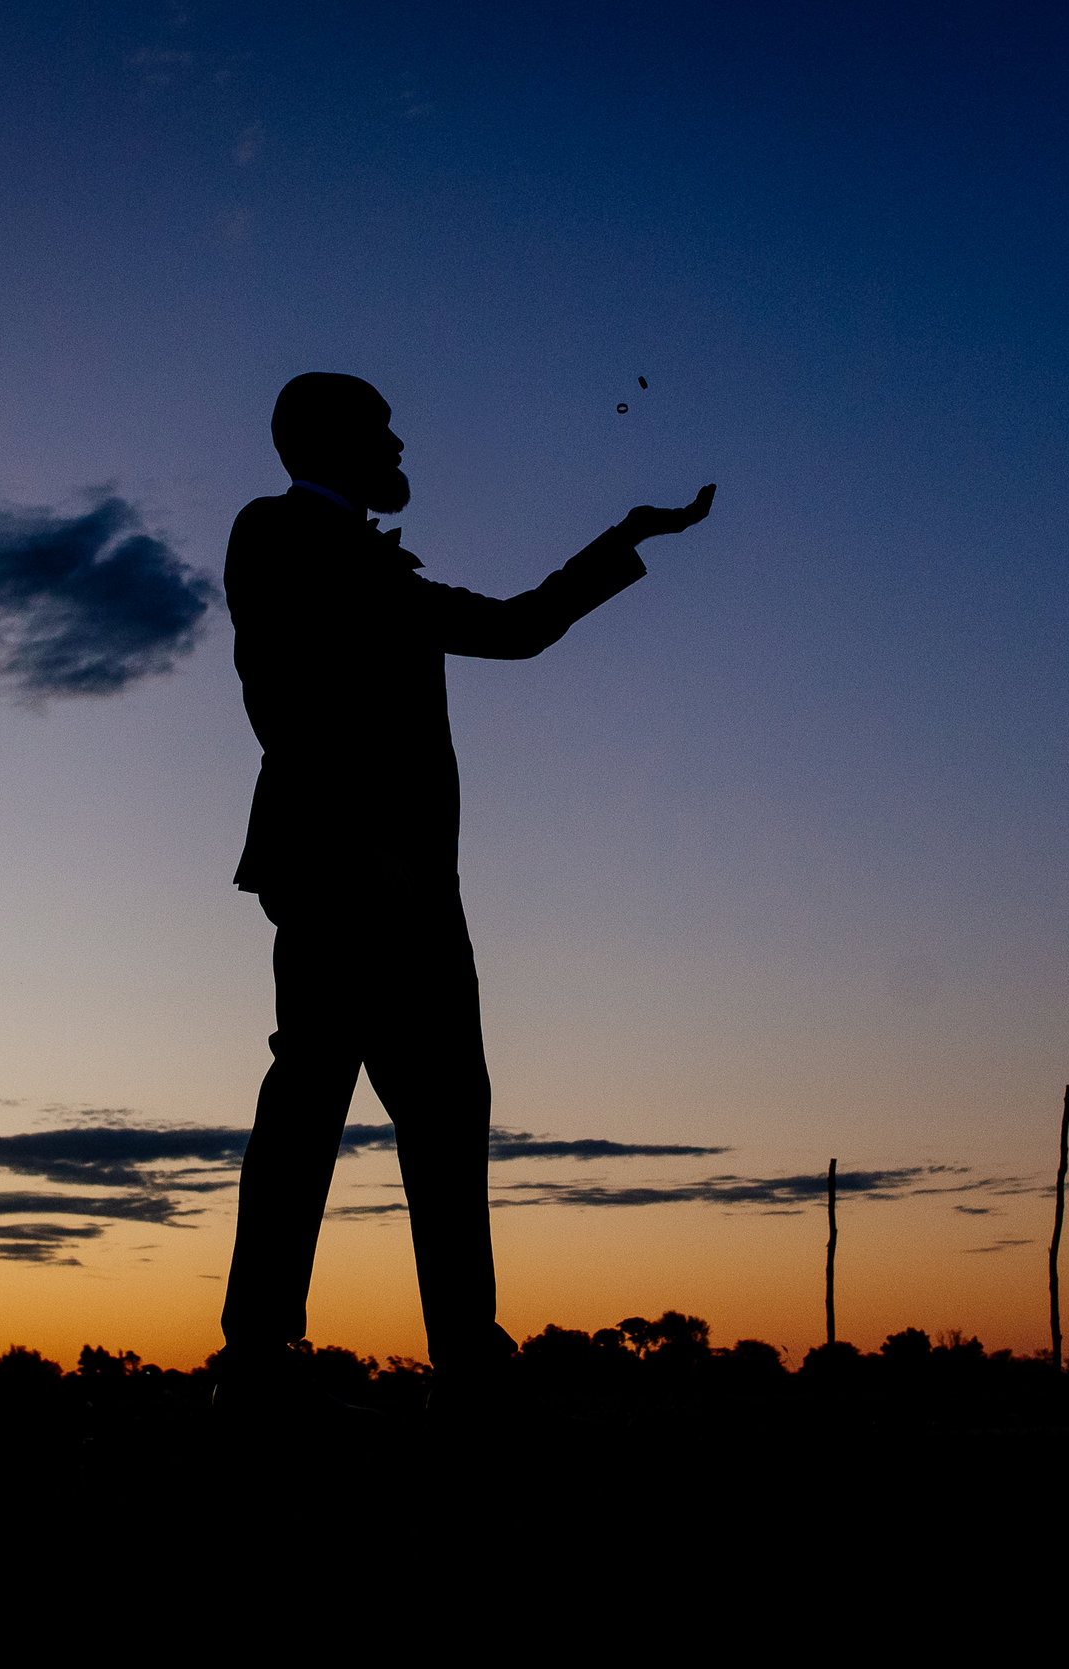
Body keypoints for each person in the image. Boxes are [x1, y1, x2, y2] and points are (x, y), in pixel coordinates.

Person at [215, 370, 713, 1413]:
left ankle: (467, 1354)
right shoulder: (280, 535)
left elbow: (521, 628)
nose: (401, 452)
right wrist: (369, 855)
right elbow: (293, 701)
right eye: (383, 436)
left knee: (444, 1117)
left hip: (416, 899)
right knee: (310, 1101)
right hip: (344, 879)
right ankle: (259, 1357)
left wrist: (624, 539)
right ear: (330, 444)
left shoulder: (369, 570)